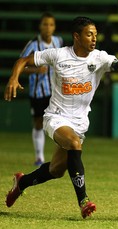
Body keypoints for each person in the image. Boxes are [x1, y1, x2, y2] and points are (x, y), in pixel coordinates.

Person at [4, 16, 118, 219]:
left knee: (56, 170)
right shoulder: (58, 54)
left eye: (96, 35)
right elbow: (24, 60)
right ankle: (84, 201)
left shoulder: (99, 58)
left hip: (80, 122)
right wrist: (13, 77)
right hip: (56, 117)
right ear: (76, 36)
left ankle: (22, 182)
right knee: (73, 143)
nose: (94, 39)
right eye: (89, 34)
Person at [21, 12, 63, 167]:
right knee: (38, 122)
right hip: (37, 92)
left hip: (56, 91)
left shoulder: (58, 41)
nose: (48, 27)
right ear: (40, 26)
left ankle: (59, 158)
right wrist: (35, 70)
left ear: (54, 27)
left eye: (51, 24)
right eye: (45, 24)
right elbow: (21, 65)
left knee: (59, 123)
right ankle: (39, 157)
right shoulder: (33, 45)